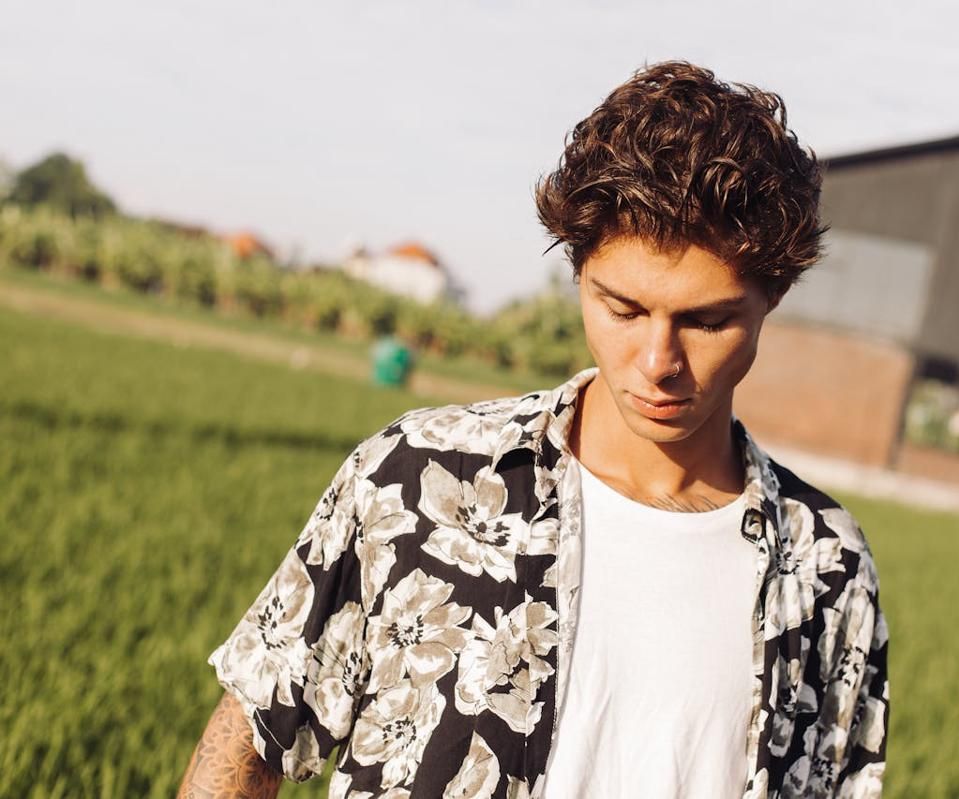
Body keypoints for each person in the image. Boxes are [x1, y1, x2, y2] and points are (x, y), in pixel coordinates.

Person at [178, 60, 888, 799]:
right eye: (622, 309)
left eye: (706, 321)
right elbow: (254, 735)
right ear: (578, 274)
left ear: (773, 296)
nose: (657, 362)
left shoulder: (827, 568)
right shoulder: (418, 480)